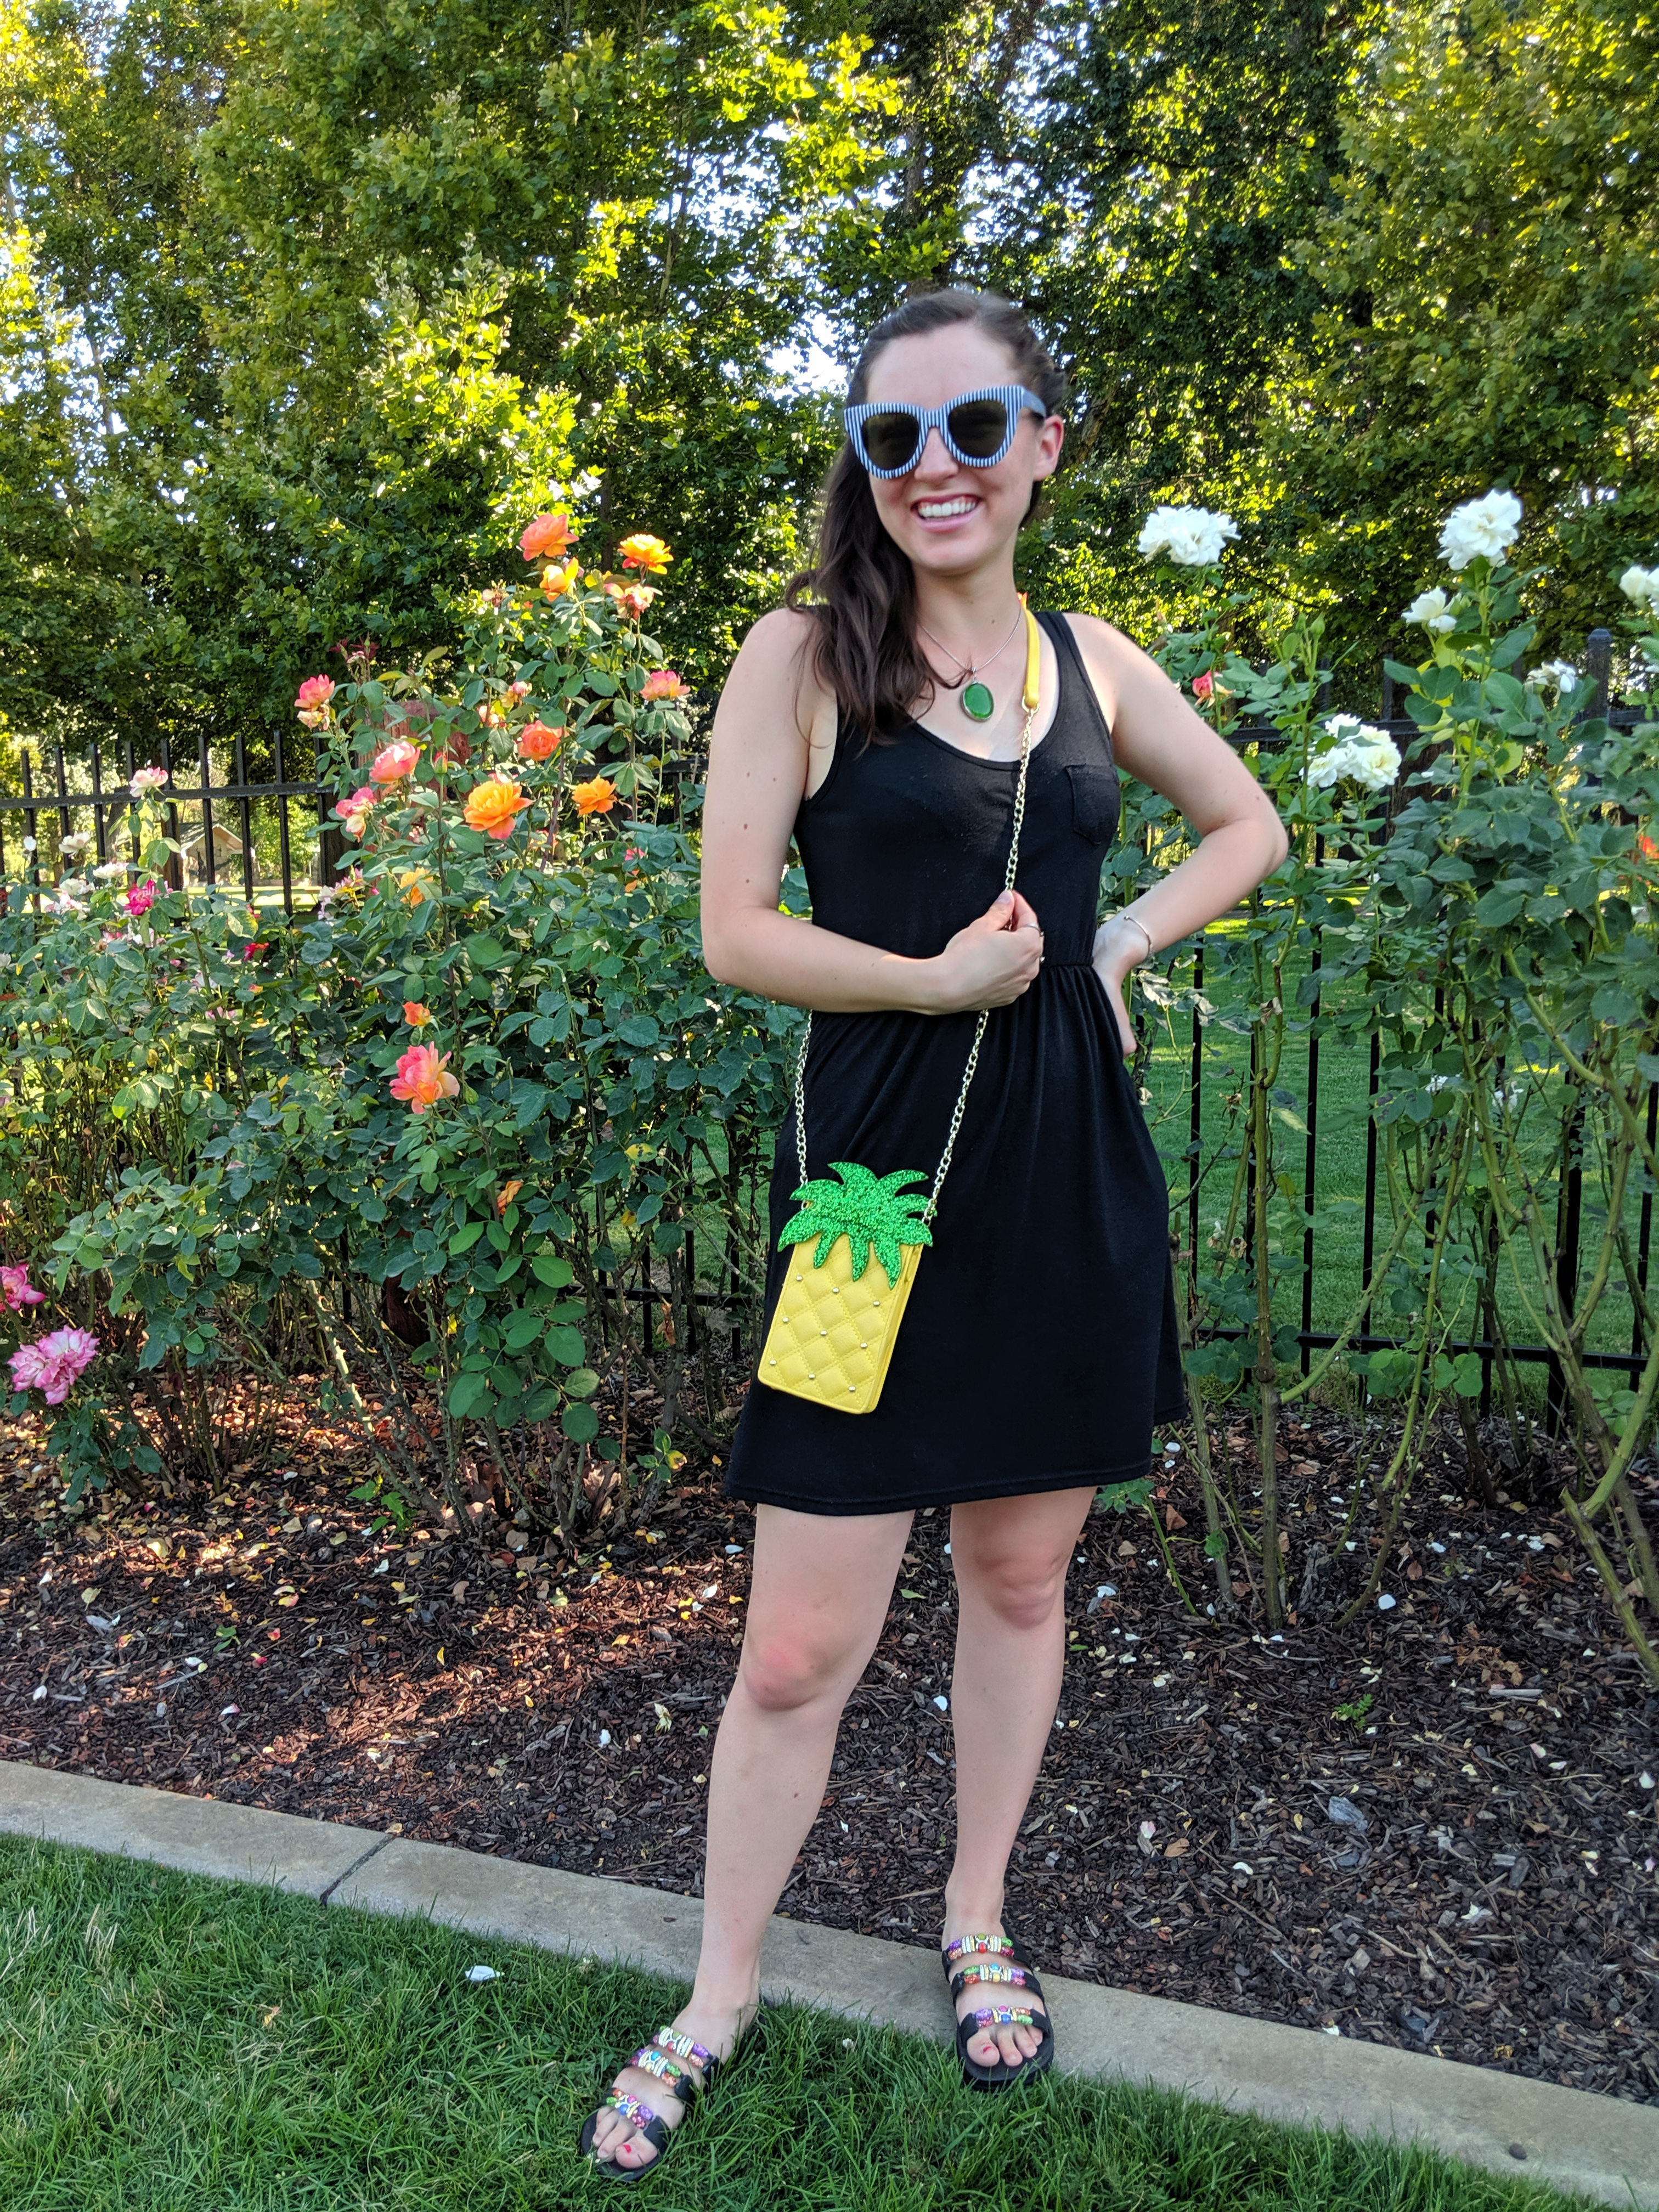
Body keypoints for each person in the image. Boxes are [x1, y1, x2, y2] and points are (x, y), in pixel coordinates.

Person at [579, 287, 1288, 2175]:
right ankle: (724, 1986)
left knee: (1023, 1580)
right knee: (798, 1646)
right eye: (891, 439)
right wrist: (932, 984)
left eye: (974, 427)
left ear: (1045, 441)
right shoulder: (804, 658)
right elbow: (736, 931)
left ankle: (976, 1918)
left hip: (1066, 1190)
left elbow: (1249, 827)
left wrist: (1116, 946)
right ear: (864, 467)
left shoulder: (1096, 663)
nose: (933, 470)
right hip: (869, 1211)